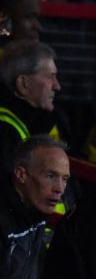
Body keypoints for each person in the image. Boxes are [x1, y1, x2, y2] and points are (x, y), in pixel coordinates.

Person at [0, 135, 70, 279]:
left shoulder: (36, 212)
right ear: (21, 174)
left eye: (65, 179)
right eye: (50, 176)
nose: (59, 189)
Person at [0, 40, 62, 186]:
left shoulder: (37, 122)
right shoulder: (4, 132)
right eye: (50, 77)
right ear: (23, 83)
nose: (57, 86)